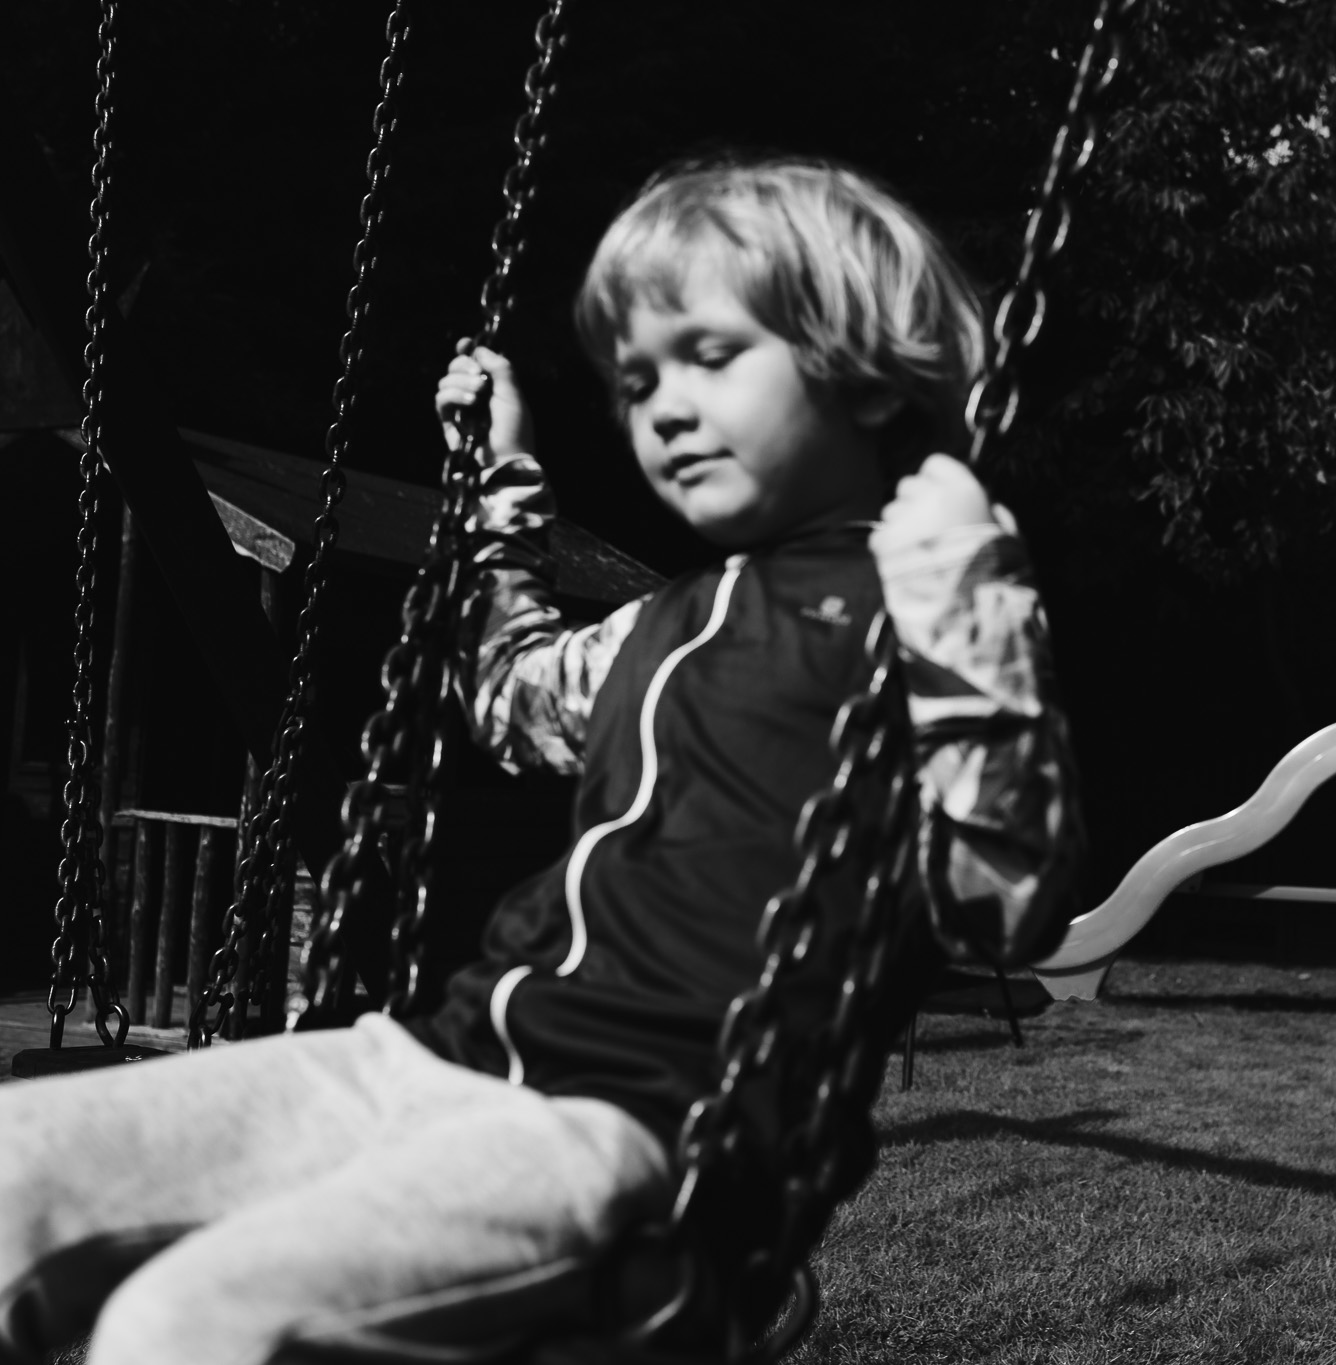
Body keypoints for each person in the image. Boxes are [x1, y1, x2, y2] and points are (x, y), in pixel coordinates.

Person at [0, 156, 1080, 1365]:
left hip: (639, 1136)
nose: (663, 407)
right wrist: (502, 476)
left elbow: (1002, 902)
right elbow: (510, 696)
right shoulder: (666, 623)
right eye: (636, 379)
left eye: (711, 356)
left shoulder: (929, 610)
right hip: (437, 1056)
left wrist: (964, 627)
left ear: (871, 374)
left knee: (191, 1326)